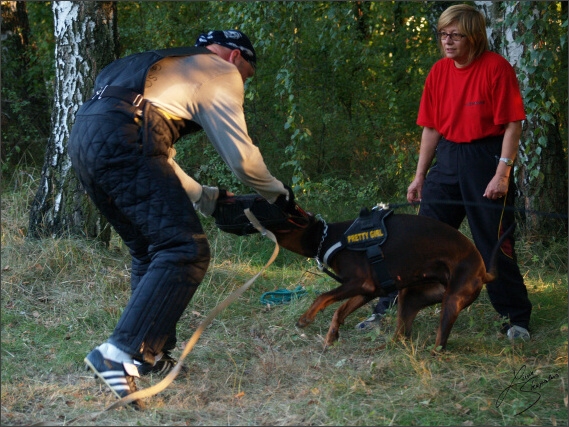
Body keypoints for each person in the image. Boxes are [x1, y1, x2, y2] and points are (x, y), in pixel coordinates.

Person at [68, 30, 294, 405]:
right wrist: (277, 193)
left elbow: (157, 156)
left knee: (149, 249)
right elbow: (242, 159)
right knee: (185, 249)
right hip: (125, 139)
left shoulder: (160, 64)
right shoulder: (221, 70)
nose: (243, 84)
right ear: (237, 57)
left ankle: (150, 355)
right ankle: (120, 354)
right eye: (248, 75)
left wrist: (206, 198)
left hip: (86, 138)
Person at [406, 4, 532, 341]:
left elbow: (513, 124)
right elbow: (431, 128)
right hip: (448, 158)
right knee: (423, 238)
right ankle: (395, 304)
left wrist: (502, 172)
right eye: (442, 34)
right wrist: (420, 176)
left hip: (486, 157)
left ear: (474, 37)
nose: (446, 41)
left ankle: (515, 317)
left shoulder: (496, 69)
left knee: (493, 243)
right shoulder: (439, 72)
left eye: (454, 35)